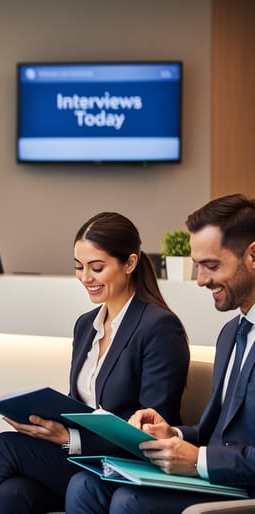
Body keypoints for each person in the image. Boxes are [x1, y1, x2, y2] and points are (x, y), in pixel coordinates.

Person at [0, 212, 190, 514]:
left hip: (124, 464)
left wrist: (71, 439)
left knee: (6, 446)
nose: (85, 278)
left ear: (130, 264)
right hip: (80, 457)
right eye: (79, 267)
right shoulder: (86, 325)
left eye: (97, 267)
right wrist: (45, 422)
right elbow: (79, 405)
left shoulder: (158, 327)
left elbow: (151, 428)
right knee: (11, 493)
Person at [66, 194, 255, 513]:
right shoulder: (231, 335)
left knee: (129, 501)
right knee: (85, 485)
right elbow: (219, 434)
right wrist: (173, 434)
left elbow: (220, 449)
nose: (201, 280)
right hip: (217, 478)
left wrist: (199, 459)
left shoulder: (161, 325)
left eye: (212, 265)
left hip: (242, 488)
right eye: (198, 266)